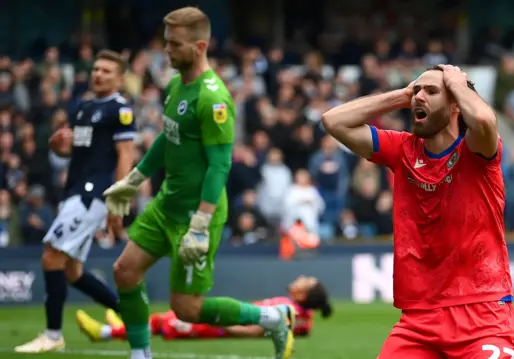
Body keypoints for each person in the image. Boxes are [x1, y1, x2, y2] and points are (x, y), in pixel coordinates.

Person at [101, 7, 294, 359]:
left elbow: (221, 165)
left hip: (196, 215)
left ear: (200, 46)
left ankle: (270, 317)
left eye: (174, 45)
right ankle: (141, 354)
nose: (167, 51)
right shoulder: (176, 84)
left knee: (186, 309)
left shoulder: (213, 98)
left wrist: (201, 223)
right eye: (166, 43)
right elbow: (167, 138)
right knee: (125, 271)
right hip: (166, 204)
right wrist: (132, 181)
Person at [321, 64, 514, 358]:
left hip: (483, 314)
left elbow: (482, 119)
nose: (420, 97)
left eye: (431, 91)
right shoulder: (402, 150)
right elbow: (333, 121)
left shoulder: (476, 150)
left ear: (455, 104)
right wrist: (403, 95)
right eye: (417, 90)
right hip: (419, 320)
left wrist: (458, 84)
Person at [14, 50, 137, 353]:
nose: (98, 74)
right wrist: (58, 148)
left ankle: (53, 335)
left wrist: (117, 203)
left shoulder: (119, 110)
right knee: (73, 271)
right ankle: (133, 317)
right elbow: (77, 151)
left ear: (120, 78)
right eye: (96, 68)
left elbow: (125, 157)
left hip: (92, 193)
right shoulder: (83, 107)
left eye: (107, 71)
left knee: (51, 255)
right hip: (75, 190)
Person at [76, 275, 332, 340]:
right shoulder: (300, 316)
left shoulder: (288, 310)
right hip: (222, 324)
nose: (300, 276)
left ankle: (105, 334)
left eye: (305, 280)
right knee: (163, 320)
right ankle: (120, 328)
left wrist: (225, 327)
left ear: (303, 293)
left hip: (216, 328)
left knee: (163, 323)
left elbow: (258, 329)